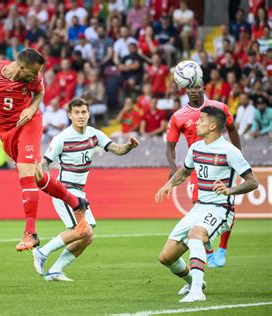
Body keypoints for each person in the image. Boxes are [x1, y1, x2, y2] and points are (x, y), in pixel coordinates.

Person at [0, 48, 89, 251]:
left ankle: (31, 233)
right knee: (37, 176)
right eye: (32, 73)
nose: (36, 77)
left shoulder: (34, 77)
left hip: (29, 123)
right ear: (21, 67)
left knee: (25, 173)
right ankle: (76, 203)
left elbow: (40, 92)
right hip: (6, 131)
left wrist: (32, 107)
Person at [156, 106, 258, 303]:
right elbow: (185, 172)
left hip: (221, 209)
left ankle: (196, 293)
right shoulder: (195, 148)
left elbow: (253, 181)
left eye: (201, 120)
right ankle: (195, 281)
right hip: (199, 207)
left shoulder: (230, 151)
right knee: (166, 257)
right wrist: (169, 184)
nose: (196, 122)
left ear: (212, 126)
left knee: (196, 235)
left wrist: (230, 190)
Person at [33, 98, 139, 281]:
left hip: (80, 192)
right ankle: (42, 252)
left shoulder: (95, 135)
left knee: (87, 236)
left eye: (83, 112)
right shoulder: (61, 138)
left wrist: (129, 146)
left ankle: (55, 270)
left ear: (89, 114)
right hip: (65, 191)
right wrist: (51, 187)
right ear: (69, 115)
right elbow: (44, 165)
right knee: (83, 230)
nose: (81, 116)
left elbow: (116, 149)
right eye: (76, 112)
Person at [166, 81, 241, 268]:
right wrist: (172, 167)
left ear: (203, 87)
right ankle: (209, 251)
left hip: (220, 164)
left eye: (197, 87)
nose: (193, 91)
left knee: (226, 203)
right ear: (185, 89)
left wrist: (237, 156)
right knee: (199, 207)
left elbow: (232, 130)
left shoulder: (218, 107)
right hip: (196, 168)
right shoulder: (178, 116)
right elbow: (170, 147)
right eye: (189, 87)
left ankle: (222, 248)